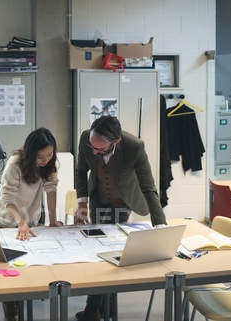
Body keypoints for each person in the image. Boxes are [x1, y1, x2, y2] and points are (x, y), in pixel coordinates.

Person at [74, 115, 167, 321]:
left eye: (99, 149)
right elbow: (81, 170)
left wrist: (161, 226)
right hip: (98, 200)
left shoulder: (134, 147)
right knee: (97, 252)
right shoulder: (85, 140)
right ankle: (96, 309)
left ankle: (99, 310)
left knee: (115, 254)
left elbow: (148, 187)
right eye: (92, 147)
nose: (94, 151)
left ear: (115, 142)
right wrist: (81, 203)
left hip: (123, 204)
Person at [0, 127, 61, 321]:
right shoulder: (15, 164)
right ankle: (11, 312)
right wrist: (20, 222)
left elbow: (51, 190)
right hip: (8, 220)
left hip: (31, 220)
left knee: (29, 265)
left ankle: (23, 302)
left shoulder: (49, 164)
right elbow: (7, 198)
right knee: (11, 269)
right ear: (30, 153)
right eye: (41, 157)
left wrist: (52, 220)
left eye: (50, 155)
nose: (46, 160)